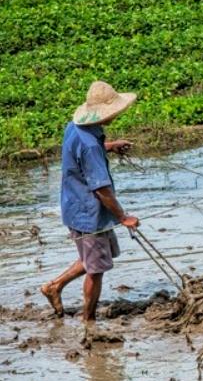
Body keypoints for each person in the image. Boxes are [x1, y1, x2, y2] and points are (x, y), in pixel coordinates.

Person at [40, 81, 140, 322]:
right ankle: (89, 321)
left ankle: (55, 286)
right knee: (96, 270)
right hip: (89, 214)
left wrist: (110, 146)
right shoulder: (90, 147)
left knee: (94, 258)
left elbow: (82, 151)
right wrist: (123, 217)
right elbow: (102, 190)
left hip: (76, 206)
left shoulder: (75, 127)